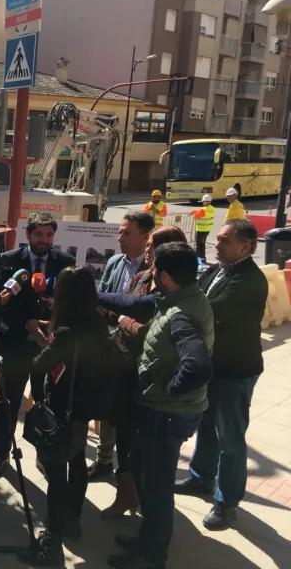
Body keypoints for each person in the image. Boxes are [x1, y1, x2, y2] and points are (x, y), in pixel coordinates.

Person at [98, 242, 214, 569]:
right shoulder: (178, 296)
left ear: (163, 275)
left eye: (154, 270)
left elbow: (198, 368)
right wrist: (93, 294)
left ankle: (151, 555)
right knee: (140, 468)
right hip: (160, 412)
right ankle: (147, 538)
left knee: (157, 488)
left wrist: (167, 389)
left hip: (168, 415)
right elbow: (133, 303)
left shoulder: (181, 315)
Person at [175, 219, 267, 530]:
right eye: (218, 238)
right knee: (206, 426)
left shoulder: (249, 279)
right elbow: (193, 294)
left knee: (230, 438)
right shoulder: (216, 270)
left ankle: (227, 502)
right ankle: (201, 478)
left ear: (245, 247)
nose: (217, 244)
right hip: (211, 366)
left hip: (234, 371)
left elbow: (208, 310)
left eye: (225, 240)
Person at [26, 267, 113, 566]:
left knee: (56, 472)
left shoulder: (65, 332)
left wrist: (39, 401)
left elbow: (38, 366)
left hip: (61, 410)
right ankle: (73, 519)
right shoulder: (97, 323)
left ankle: (54, 533)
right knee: (76, 461)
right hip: (84, 407)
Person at [100, 225, 188, 520]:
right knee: (124, 436)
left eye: (153, 246)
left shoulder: (172, 289)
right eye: (148, 244)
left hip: (152, 374)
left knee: (146, 444)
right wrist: (124, 318)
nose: (147, 250)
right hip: (125, 369)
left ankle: (147, 501)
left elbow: (148, 332)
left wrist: (125, 320)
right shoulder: (140, 278)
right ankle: (126, 494)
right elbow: (117, 309)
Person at [0, 213, 75, 480]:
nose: (44, 240)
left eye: (49, 235)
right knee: (8, 402)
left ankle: (45, 454)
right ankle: (1, 454)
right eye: (39, 234)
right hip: (15, 344)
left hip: (48, 348)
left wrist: (54, 317)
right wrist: (27, 323)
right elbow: (1, 305)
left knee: (46, 404)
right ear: (27, 234)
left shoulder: (65, 262)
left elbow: (71, 303)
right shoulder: (10, 260)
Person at [93, 211, 155, 481]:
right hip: (110, 344)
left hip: (135, 351)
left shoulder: (152, 272)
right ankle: (103, 459)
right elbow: (104, 299)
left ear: (146, 237)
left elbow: (139, 314)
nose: (119, 238)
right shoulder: (114, 262)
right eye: (120, 231)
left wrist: (120, 317)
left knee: (128, 414)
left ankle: (127, 470)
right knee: (106, 406)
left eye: (127, 233)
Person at [190, 194, 215, 261]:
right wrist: (193, 211)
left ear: (203, 202)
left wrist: (194, 214)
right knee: (202, 243)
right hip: (208, 229)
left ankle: (201, 258)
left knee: (199, 244)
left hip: (201, 229)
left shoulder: (203, 210)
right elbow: (200, 212)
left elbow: (196, 216)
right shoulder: (212, 208)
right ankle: (200, 257)